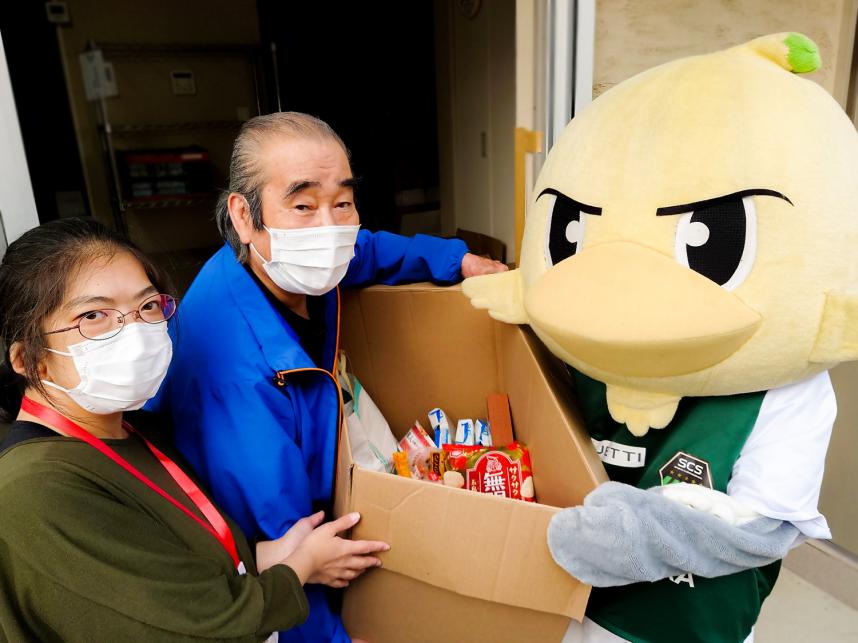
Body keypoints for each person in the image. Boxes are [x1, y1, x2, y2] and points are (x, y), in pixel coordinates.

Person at [147, 111, 508, 642]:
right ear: (244, 217)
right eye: (302, 204)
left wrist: (458, 262)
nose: (330, 226)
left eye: (342, 201)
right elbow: (290, 550)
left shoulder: (296, 262)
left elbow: (370, 251)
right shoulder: (231, 373)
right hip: (275, 552)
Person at [0, 218, 388, 642]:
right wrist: (302, 567)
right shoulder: (34, 491)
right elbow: (201, 628)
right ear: (28, 359)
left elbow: (168, 570)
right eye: (94, 316)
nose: (134, 332)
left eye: (147, 307)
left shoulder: (136, 430)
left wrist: (266, 556)